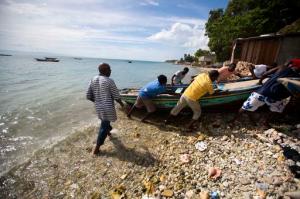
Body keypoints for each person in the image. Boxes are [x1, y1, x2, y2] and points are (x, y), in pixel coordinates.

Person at [231, 64, 300, 125]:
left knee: (245, 107)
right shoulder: (297, 78)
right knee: (276, 110)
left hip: (262, 92)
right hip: (276, 97)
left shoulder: (282, 67)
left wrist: (260, 82)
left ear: (292, 66)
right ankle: (265, 123)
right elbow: (294, 92)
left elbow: (265, 74)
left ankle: (233, 121)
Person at [86, 63, 124, 155]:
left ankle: (109, 133)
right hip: (107, 108)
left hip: (98, 107)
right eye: (109, 69)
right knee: (104, 126)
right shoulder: (109, 81)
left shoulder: (93, 79)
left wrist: (98, 102)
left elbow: (88, 96)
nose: (111, 71)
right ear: (106, 70)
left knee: (104, 122)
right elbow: (116, 96)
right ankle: (96, 148)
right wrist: (122, 104)